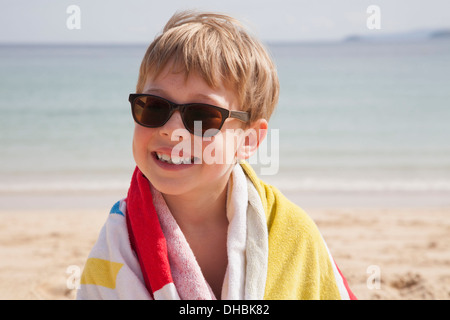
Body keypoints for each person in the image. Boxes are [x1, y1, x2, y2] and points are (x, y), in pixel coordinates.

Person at [77, 11, 355, 300]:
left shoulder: (293, 233)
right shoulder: (119, 242)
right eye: (155, 107)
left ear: (248, 140)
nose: (172, 132)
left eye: (201, 116)